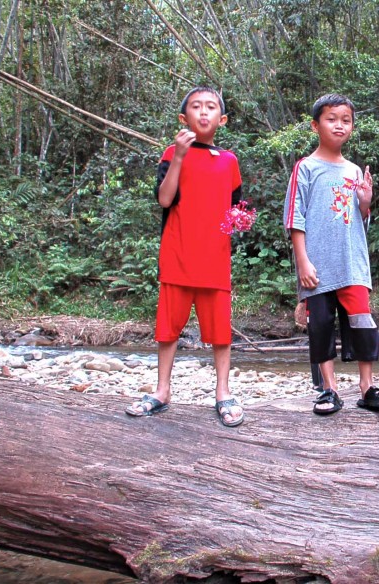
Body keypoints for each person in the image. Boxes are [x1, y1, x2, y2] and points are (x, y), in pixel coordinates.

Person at [125, 86, 245, 427]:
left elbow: (235, 209)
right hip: (177, 255)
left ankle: (223, 392)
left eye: (211, 108)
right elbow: (165, 199)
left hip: (215, 259)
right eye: (196, 107)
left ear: (222, 120)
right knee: (168, 329)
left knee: (220, 332)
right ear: (184, 118)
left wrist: (240, 219)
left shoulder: (229, 162)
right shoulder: (171, 154)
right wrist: (178, 155)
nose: (203, 112)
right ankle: (162, 391)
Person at [283, 93, 379, 416]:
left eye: (345, 120)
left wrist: (365, 201)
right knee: (320, 324)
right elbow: (295, 218)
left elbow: (362, 220)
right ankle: (328, 390)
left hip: (352, 264)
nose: (339, 126)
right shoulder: (305, 168)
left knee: (363, 321)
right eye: (331, 119)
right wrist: (302, 261)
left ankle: (367, 387)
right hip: (317, 266)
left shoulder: (354, 171)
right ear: (315, 125)